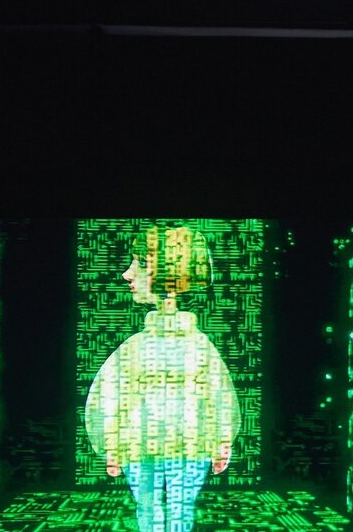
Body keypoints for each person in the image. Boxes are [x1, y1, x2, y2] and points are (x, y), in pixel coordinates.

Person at [84, 226, 239, 532]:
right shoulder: (140, 347)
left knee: (176, 508)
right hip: (145, 442)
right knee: (153, 507)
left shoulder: (196, 346)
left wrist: (222, 439)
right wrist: (111, 444)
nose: (128, 275)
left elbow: (217, 392)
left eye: (141, 264)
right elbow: (114, 394)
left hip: (187, 442)